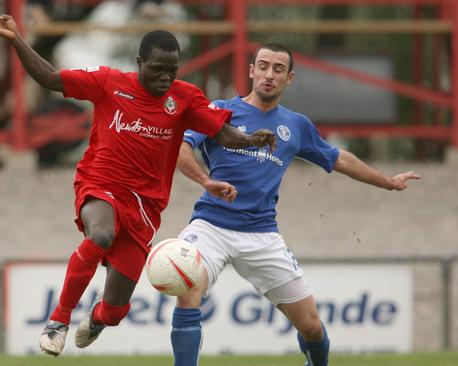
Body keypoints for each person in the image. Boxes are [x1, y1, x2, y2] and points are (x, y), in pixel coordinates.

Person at [0, 7, 276, 356]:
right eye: (158, 69)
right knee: (101, 234)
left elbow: (223, 133)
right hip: (100, 183)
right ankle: (58, 320)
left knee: (117, 309)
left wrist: (251, 140)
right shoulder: (109, 83)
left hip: (146, 207)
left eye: (172, 70)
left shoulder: (183, 98)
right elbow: (49, 76)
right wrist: (16, 39)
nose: (166, 78)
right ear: (139, 62)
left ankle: (97, 318)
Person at [170, 43, 420, 366]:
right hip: (211, 227)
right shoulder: (220, 110)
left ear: (289, 78)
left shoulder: (296, 126)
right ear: (251, 71)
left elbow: (338, 158)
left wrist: (387, 181)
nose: (268, 75)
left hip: (262, 235)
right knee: (186, 282)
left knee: (312, 326)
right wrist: (206, 181)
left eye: (277, 69)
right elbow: (182, 148)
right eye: (262, 66)